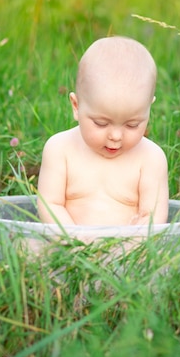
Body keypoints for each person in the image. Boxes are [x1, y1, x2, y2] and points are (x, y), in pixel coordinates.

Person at [37, 36, 169, 226]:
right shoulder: (60, 149)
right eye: (100, 123)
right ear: (76, 106)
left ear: (149, 108)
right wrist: (73, 242)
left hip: (128, 250)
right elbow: (50, 204)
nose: (115, 136)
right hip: (67, 246)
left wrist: (130, 248)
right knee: (28, 245)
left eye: (132, 125)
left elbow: (152, 218)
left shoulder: (151, 159)